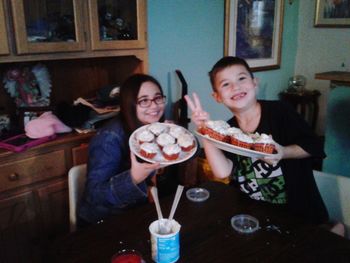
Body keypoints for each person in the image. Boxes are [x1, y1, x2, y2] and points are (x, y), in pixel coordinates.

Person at [185, 56, 330, 226]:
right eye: (225, 84)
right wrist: (206, 131)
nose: (235, 87)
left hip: (298, 213)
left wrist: (283, 152)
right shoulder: (228, 129)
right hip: (254, 213)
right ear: (217, 96)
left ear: (255, 82)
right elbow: (223, 172)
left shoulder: (279, 111)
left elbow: (315, 146)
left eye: (241, 78)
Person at [78, 74, 182, 225]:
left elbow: (192, 152)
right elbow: (94, 195)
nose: (154, 106)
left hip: (136, 210)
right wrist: (133, 177)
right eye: (144, 100)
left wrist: (174, 138)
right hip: (102, 221)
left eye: (158, 98)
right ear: (130, 104)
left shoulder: (152, 130)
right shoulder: (109, 137)